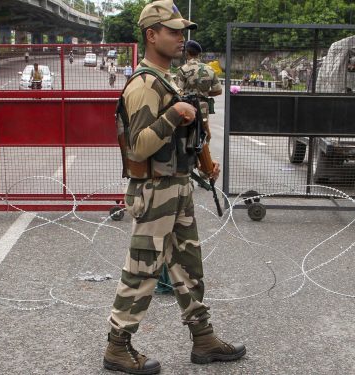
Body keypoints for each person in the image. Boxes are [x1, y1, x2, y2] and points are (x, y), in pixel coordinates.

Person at [105, 1, 245, 373]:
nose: (181, 37)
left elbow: (191, 130)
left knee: (187, 265)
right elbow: (138, 146)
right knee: (142, 269)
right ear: (151, 35)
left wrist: (204, 161)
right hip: (155, 189)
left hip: (177, 185)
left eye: (183, 31)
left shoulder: (170, 78)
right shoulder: (144, 84)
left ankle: (204, 338)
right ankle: (118, 347)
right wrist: (173, 115)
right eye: (172, 31)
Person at [156, 38, 222, 295]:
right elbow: (216, 90)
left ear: (187, 54)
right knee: (202, 142)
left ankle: (194, 168)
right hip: (203, 110)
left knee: (188, 144)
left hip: (185, 112)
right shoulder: (209, 70)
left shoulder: (182, 71)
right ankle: (200, 166)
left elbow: (175, 93)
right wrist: (203, 93)